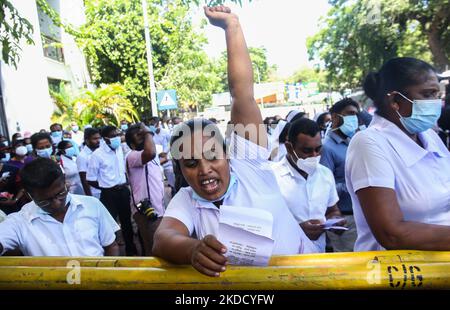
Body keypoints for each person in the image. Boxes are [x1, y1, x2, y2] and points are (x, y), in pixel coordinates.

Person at [152, 6, 315, 277]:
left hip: (308, 280)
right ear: (180, 170)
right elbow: (163, 238)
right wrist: (192, 249)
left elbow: (242, 94)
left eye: (212, 156)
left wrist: (231, 26)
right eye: (191, 163)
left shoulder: (250, 163)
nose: (205, 170)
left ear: (228, 154)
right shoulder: (187, 200)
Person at [346, 57, 450, 252]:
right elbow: (391, 234)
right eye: (428, 94)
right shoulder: (368, 144)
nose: (436, 103)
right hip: (401, 275)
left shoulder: (428, 136)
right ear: (395, 100)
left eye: (437, 94)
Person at [0, 158, 120, 256]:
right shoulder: (19, 222)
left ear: (64, 181)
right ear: (28, 194)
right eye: (44, 201)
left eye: (60, 194)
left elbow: (111, 245)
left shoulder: (92, 205)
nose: (56, 203)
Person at [272, 118, 344, 252]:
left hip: (317, 256)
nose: (314, 155)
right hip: (283, 258)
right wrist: (296, 230)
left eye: (318, 149)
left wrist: (335, 220)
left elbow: (332, 210)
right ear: (289, 147)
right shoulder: (272, 177)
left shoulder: (325, 174)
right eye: (307, 151)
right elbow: (264, 222)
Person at [87, 125, 137, 256]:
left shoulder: (119, 149)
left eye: (117, 135)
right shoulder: (97, 155)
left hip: (123, 190)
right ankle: (112, 252)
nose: (117, 138)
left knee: (127, 222)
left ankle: (131, 250)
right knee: (109, 224)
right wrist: (106, 186)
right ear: (106, 139)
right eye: (113, 136)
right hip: (109, 193)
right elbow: (90, 178)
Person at [320, 98, 360, 252]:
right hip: (344, 219)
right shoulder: (327, 148)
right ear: (336, 117)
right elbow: (324, 188)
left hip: (358, 215)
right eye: (350, 114)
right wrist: (352, 183)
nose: (354, 118)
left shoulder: (352, 142)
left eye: (356, 114)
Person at [125, 124, 165, 255]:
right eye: (139, 135)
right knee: (153, 248)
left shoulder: (150, 156)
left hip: (157, 208)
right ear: (132, 144)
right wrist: (148, 132)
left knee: (159, 246)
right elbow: (151, 153)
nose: (144, 137)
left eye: (144, 134)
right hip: (145, 210)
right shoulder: (132, 155)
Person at [77, 128, 101, 198]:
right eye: (95, 139)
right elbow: (84, 179)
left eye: (99, 138)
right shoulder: (82, 156)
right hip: (95, 193)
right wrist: (90, 197)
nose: (98, 141)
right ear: (87, 140)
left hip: (105, 189)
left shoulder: (100, 152)